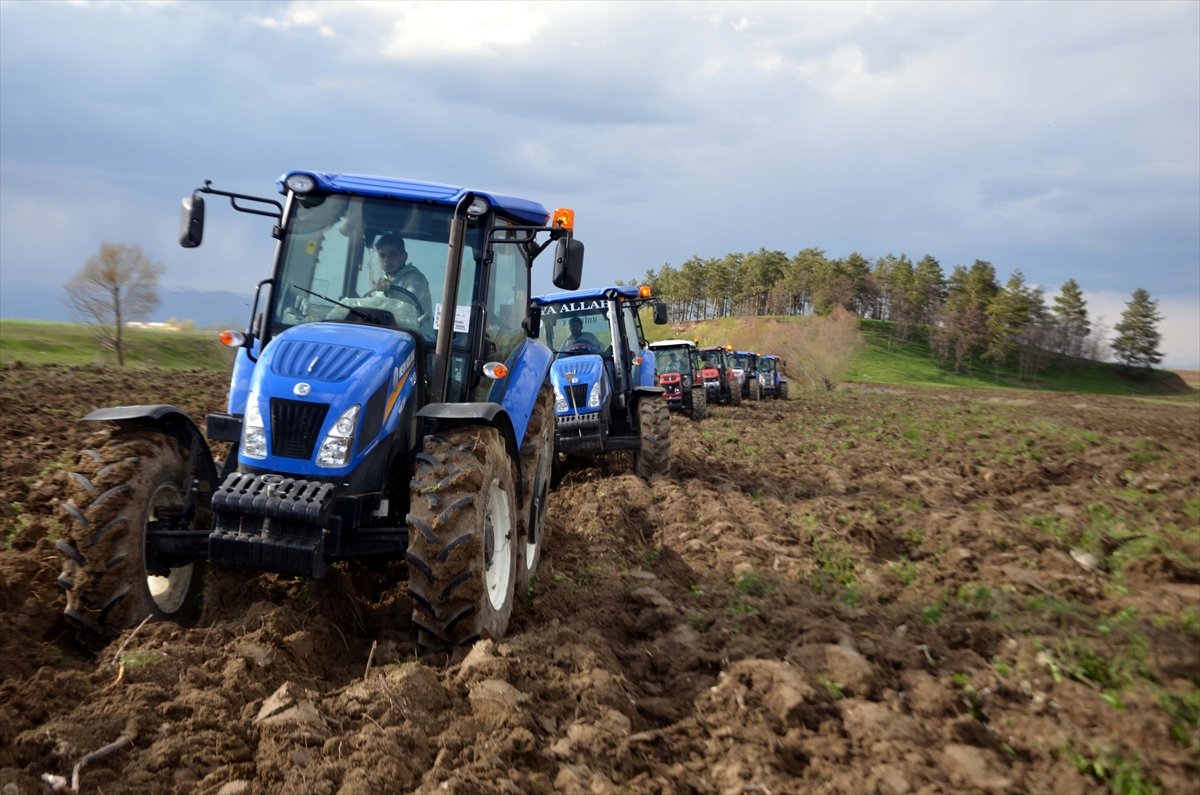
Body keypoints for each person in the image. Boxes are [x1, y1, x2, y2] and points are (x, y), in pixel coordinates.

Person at [372, 233, 432, 320]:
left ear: (404, 256)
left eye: (392, 254)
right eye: (382, 255)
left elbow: (407, 307)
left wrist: (388, 293)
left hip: (415, 332)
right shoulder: (382, 283)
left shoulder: (416, 279)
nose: (386, 260)